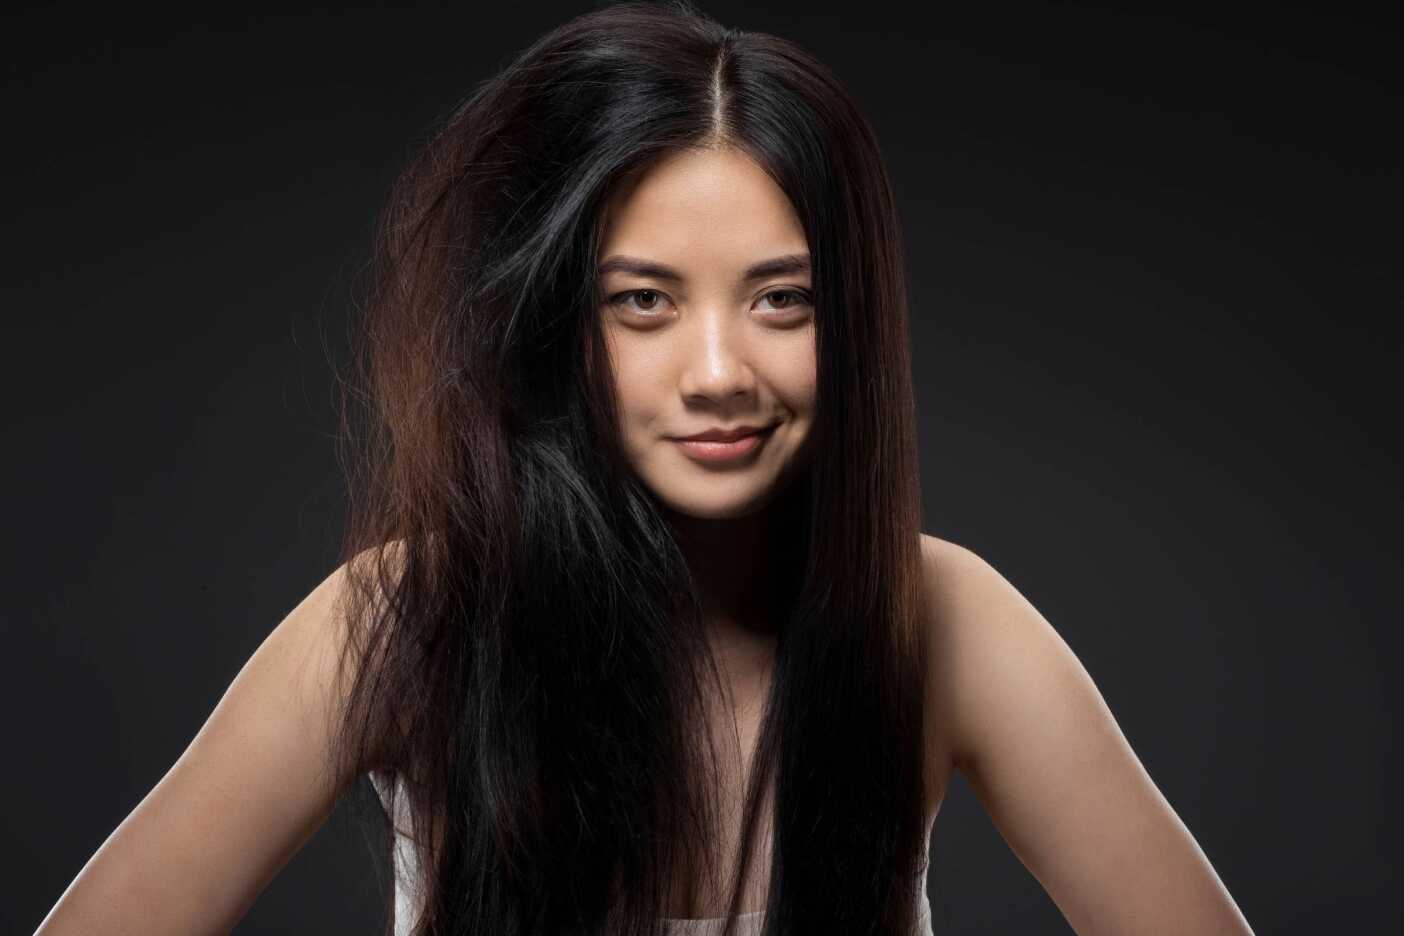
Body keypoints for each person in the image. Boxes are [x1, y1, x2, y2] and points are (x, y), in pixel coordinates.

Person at [35, 2, 1255, 935]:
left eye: (784, 299)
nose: (719, 368)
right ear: (554, 319)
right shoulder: (410, 612)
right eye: (643, 303)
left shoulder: (943, 619)